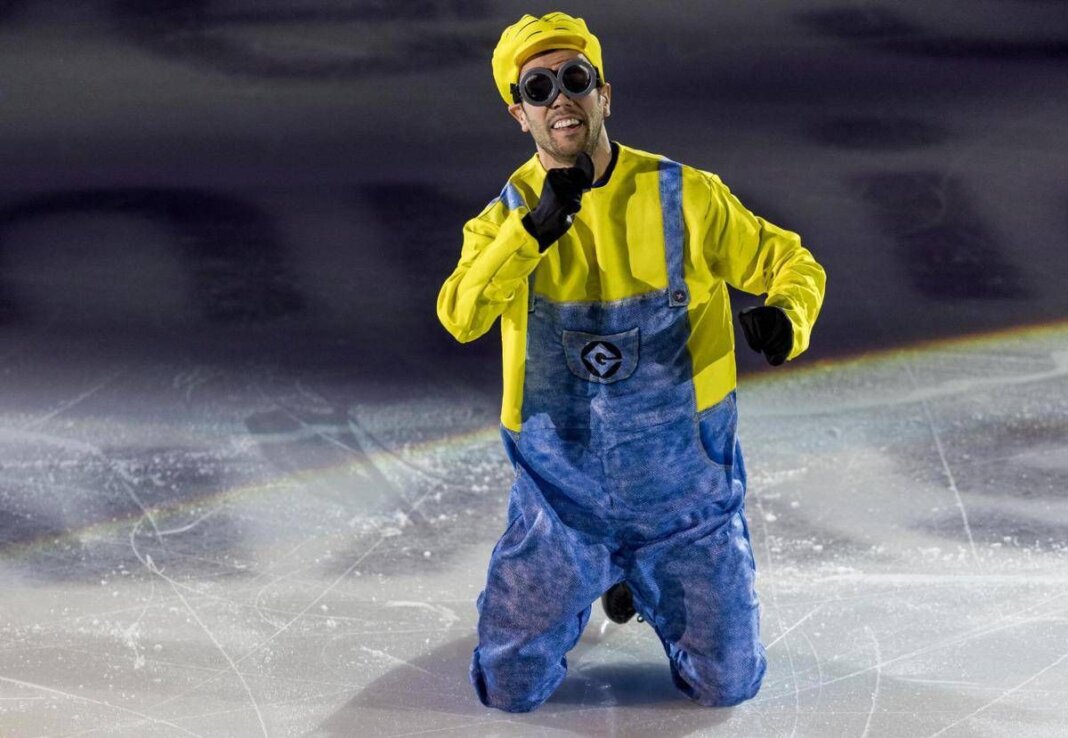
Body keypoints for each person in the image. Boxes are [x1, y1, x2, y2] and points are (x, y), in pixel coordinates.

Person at [436, 12, 826, 713]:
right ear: (519, 114)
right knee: (508, 689)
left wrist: (787, 316)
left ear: (604, 94)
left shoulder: (686, 196)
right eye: (538, 88)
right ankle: (595, 575)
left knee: (728, 684)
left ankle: (643, 578)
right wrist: (529, 235)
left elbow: (791, 263)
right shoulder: (505, 217)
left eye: (575, 79)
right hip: (562, 503)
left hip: (683, 503)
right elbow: (461, 315)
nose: (561, 98)